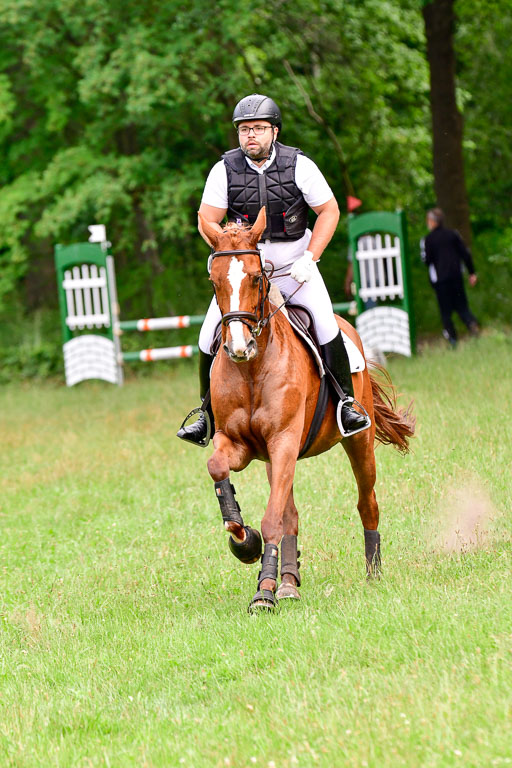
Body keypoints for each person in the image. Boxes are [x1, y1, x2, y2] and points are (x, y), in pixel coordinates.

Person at [177, 93, 370, 445]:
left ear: (275, 131)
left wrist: (310, 257)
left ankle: (346, 403)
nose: (251, 135)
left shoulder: (300, 165)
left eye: (259, 129)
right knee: (207, 335)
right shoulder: (224, 169)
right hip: (246, 269)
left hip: (294, 263)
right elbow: (207, 219)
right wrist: (225, 248)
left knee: (326, 323)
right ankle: (205, 415)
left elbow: (329, 211)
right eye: (244, 129)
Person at [422, 208, 479, 347]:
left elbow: (427, 260)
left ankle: (452, 339)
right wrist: (472, 272)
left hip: (441, 281)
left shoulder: (428, 240)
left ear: (432, 222)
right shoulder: (453, 234)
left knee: (445, 312)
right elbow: (465, 254)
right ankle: (471, 323)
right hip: (456, 277)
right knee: (462, 306)